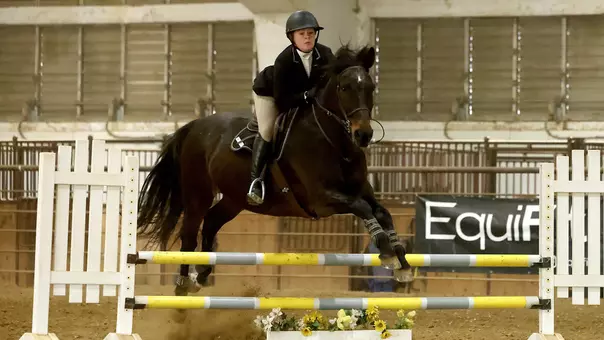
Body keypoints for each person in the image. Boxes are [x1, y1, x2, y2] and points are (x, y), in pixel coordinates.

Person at [247, 10, 335, 206]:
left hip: (305, 98)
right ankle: (256, 181)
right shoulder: (284, 60)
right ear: (292, 37)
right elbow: (282, 100)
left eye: (311, 33)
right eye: (302, 34)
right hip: (271, 94)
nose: (307, 37)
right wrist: (305, 96)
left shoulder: (326, 54)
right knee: (268, 129)